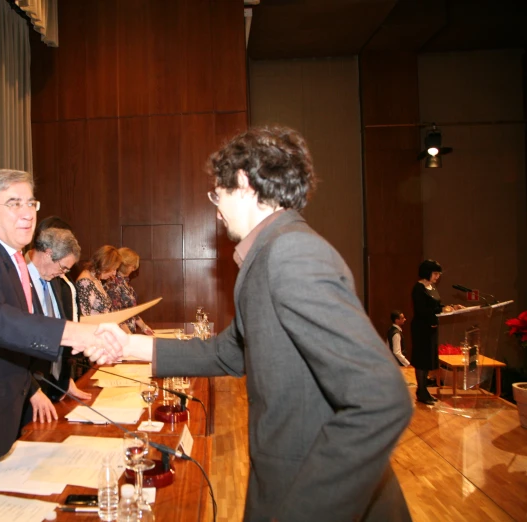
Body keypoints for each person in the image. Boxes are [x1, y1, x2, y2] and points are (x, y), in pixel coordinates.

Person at [86, 125, 414, 521]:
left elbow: (381, 398)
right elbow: (231, 351)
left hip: (310, 494)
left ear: (243, 183)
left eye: (217, 193)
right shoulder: (271, 252)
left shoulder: (291, 253)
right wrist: (128, 346)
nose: (216, 207)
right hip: (283, 480)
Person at [0, 169, 123, 508]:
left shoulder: (9, 259)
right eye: (14, 203)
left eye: (31, 202)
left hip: (0, 419)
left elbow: (15, 338)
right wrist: (70, 331)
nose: (28, 212)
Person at [23, 225, 92, 426]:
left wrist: (62, 380)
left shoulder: (53, 279)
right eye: (63, 267)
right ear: (48, 254)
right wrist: (32, 389)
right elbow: (9, 347)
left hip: (51, 388)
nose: (63, 274)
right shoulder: (17, 279)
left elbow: (57, 331)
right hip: (26, 394)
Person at [410, 259, 445, 404]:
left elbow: (436, 306)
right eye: (435, 273)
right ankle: (421, 391)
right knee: (422, 360)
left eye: (439, 274)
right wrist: (432, 318)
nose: (437, 276)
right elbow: (421, 310)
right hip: (422, 328)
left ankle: (425, 390)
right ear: (427, 272)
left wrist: (447, 308)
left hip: (432, 327)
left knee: (429, 359)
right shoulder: (418, 288)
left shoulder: (432, 287)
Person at [104, 247, 154, 335]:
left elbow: (132, 311)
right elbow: (117, 314)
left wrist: (144, 327)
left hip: (129, 333)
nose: (134, 269)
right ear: (125, 265)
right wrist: (129, 335)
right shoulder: (113, 285)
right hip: (121, 334)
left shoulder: (126, 283)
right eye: (133, 266)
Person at [75, 245, 123, 321]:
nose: (114, 273)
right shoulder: (85, 283)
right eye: (113, 269)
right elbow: (84, 318)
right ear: (105, 264)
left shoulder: (95, 278)